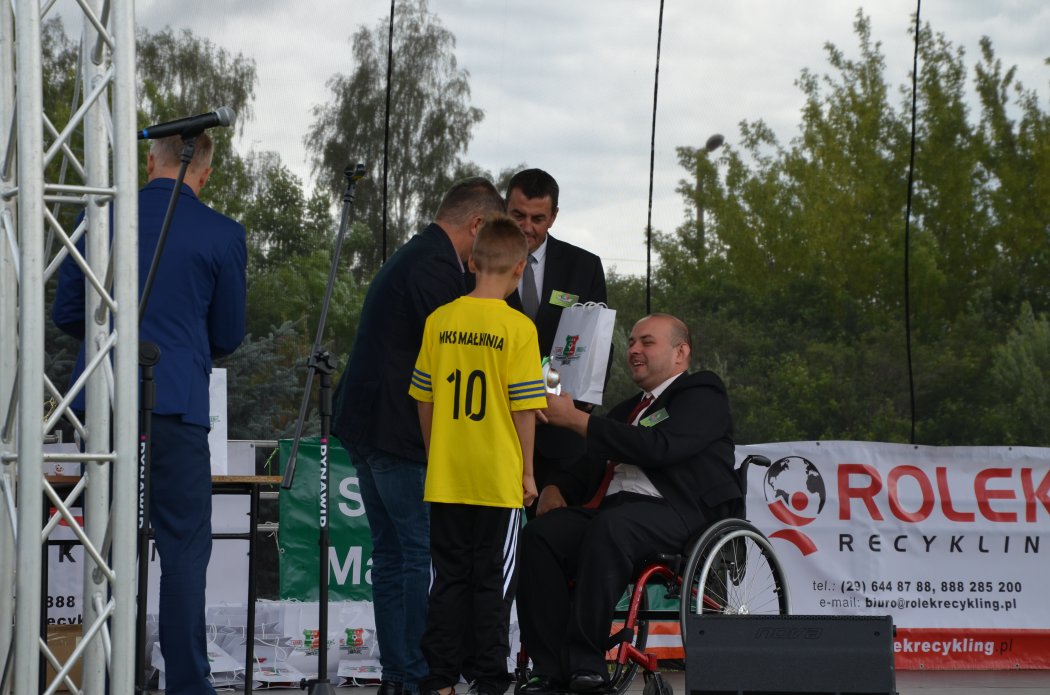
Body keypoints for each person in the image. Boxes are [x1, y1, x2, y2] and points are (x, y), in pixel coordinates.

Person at [52, 133, 247, 695]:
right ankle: (187, 683)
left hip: (104, 399)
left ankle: (104, 674)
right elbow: (228, 333)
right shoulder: (223, 233)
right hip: (178, 402)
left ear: (148, 161)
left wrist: (111, 338)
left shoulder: (99, 217)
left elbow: (66, 311)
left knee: (106, 543)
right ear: (204, 173)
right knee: (184, 547)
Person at [331, 177, 505, 695]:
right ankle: (412, 676)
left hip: (368, 425)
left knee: (391, 555)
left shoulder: (415, 256)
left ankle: (399, 673)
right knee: (412, 554)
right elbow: (458, 355)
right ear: (476, 224)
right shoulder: (436, 269)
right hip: (397, 432)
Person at [516, 313, 742, 694]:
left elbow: (659, 448)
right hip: (616, 514)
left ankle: (587, 662)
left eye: (647, 342)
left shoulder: (702, 393)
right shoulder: (628, 410)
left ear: (681, 353)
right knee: (541, 535)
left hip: (678, 513)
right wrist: (556, 487)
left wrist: (577, 420)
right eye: (632, 342)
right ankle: (549, 667)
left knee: (613, 527)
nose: (634, 349)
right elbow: (588, 464)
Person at [409, 214, 547, 695]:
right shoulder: (518, 328)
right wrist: (528, 473)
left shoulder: (440, 320)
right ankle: (489, 679)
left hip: (448, 476)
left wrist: (437, 453)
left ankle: (440, 679)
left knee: (447, 580)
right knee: (492, 583)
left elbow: (423, 399)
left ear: (471, 262)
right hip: (496, 479)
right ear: (520, 268)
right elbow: (524, 408)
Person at [504, 168, 606, 516]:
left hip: (560, 437)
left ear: (554, 217)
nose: (527, 227)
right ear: (504, 209)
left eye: (538, 218)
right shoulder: (480, 263)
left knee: (552, 535)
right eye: (518, 215)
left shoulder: (584, 266)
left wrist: (575, 406)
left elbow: (596, 345)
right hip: (499, 428)